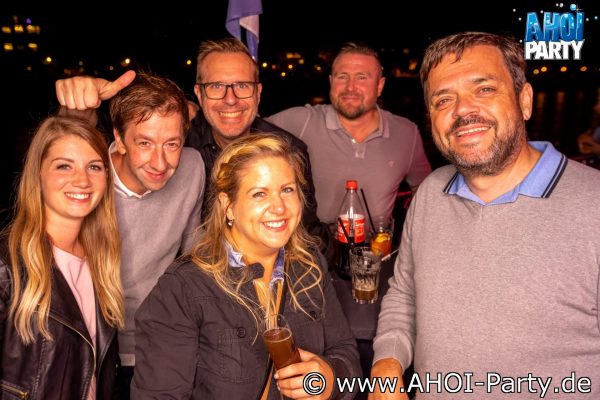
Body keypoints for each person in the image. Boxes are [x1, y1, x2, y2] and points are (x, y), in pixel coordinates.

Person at [370, 32, 600, 399]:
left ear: (524, 100)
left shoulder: (593, 205)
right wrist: (388, 362)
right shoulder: (430, 193)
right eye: (443, 99)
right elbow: (405, 293)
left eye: (485, 89)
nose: (463, 110)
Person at [54, 38, 334, 264]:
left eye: (242, 86)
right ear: (199, 94)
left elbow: (305, 234)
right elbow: (101, 147)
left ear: (258, 93)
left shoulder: (288, 151)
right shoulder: (178, 139)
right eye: (216, 87)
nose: (230, 99)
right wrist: (78, 113)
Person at [132, 134, 361, 399]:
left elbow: (346, 354)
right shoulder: (180, 290)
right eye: (259, 194)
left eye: (287, 190)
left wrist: (331, 377)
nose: (279, 207)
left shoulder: (309, 263)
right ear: (227, 206)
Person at [59, 72, 206, 396]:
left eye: (172, 144)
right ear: (120, 138)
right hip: (91, 347)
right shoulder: (87, 181)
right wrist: (73, 116)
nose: (160, 162)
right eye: (145, 143)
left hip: (162, 344)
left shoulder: (193, 167)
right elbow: (58, 154)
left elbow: (194, 258)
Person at [0, 116, 124, 399]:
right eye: (64, 166)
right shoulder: (6, 266)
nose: (82, 180)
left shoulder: (102, 262)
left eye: (94, 167)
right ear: (38, 174)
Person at [266, 42, 431, 224]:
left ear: (379, 86)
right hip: (311, 242)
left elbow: (424, 191)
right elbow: (247, 132)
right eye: (342, 77)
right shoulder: (302, 122)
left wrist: (414, 232)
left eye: (362, 77)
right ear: (331, 82)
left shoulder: (406, 134)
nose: (350, 87)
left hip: (377, 242)